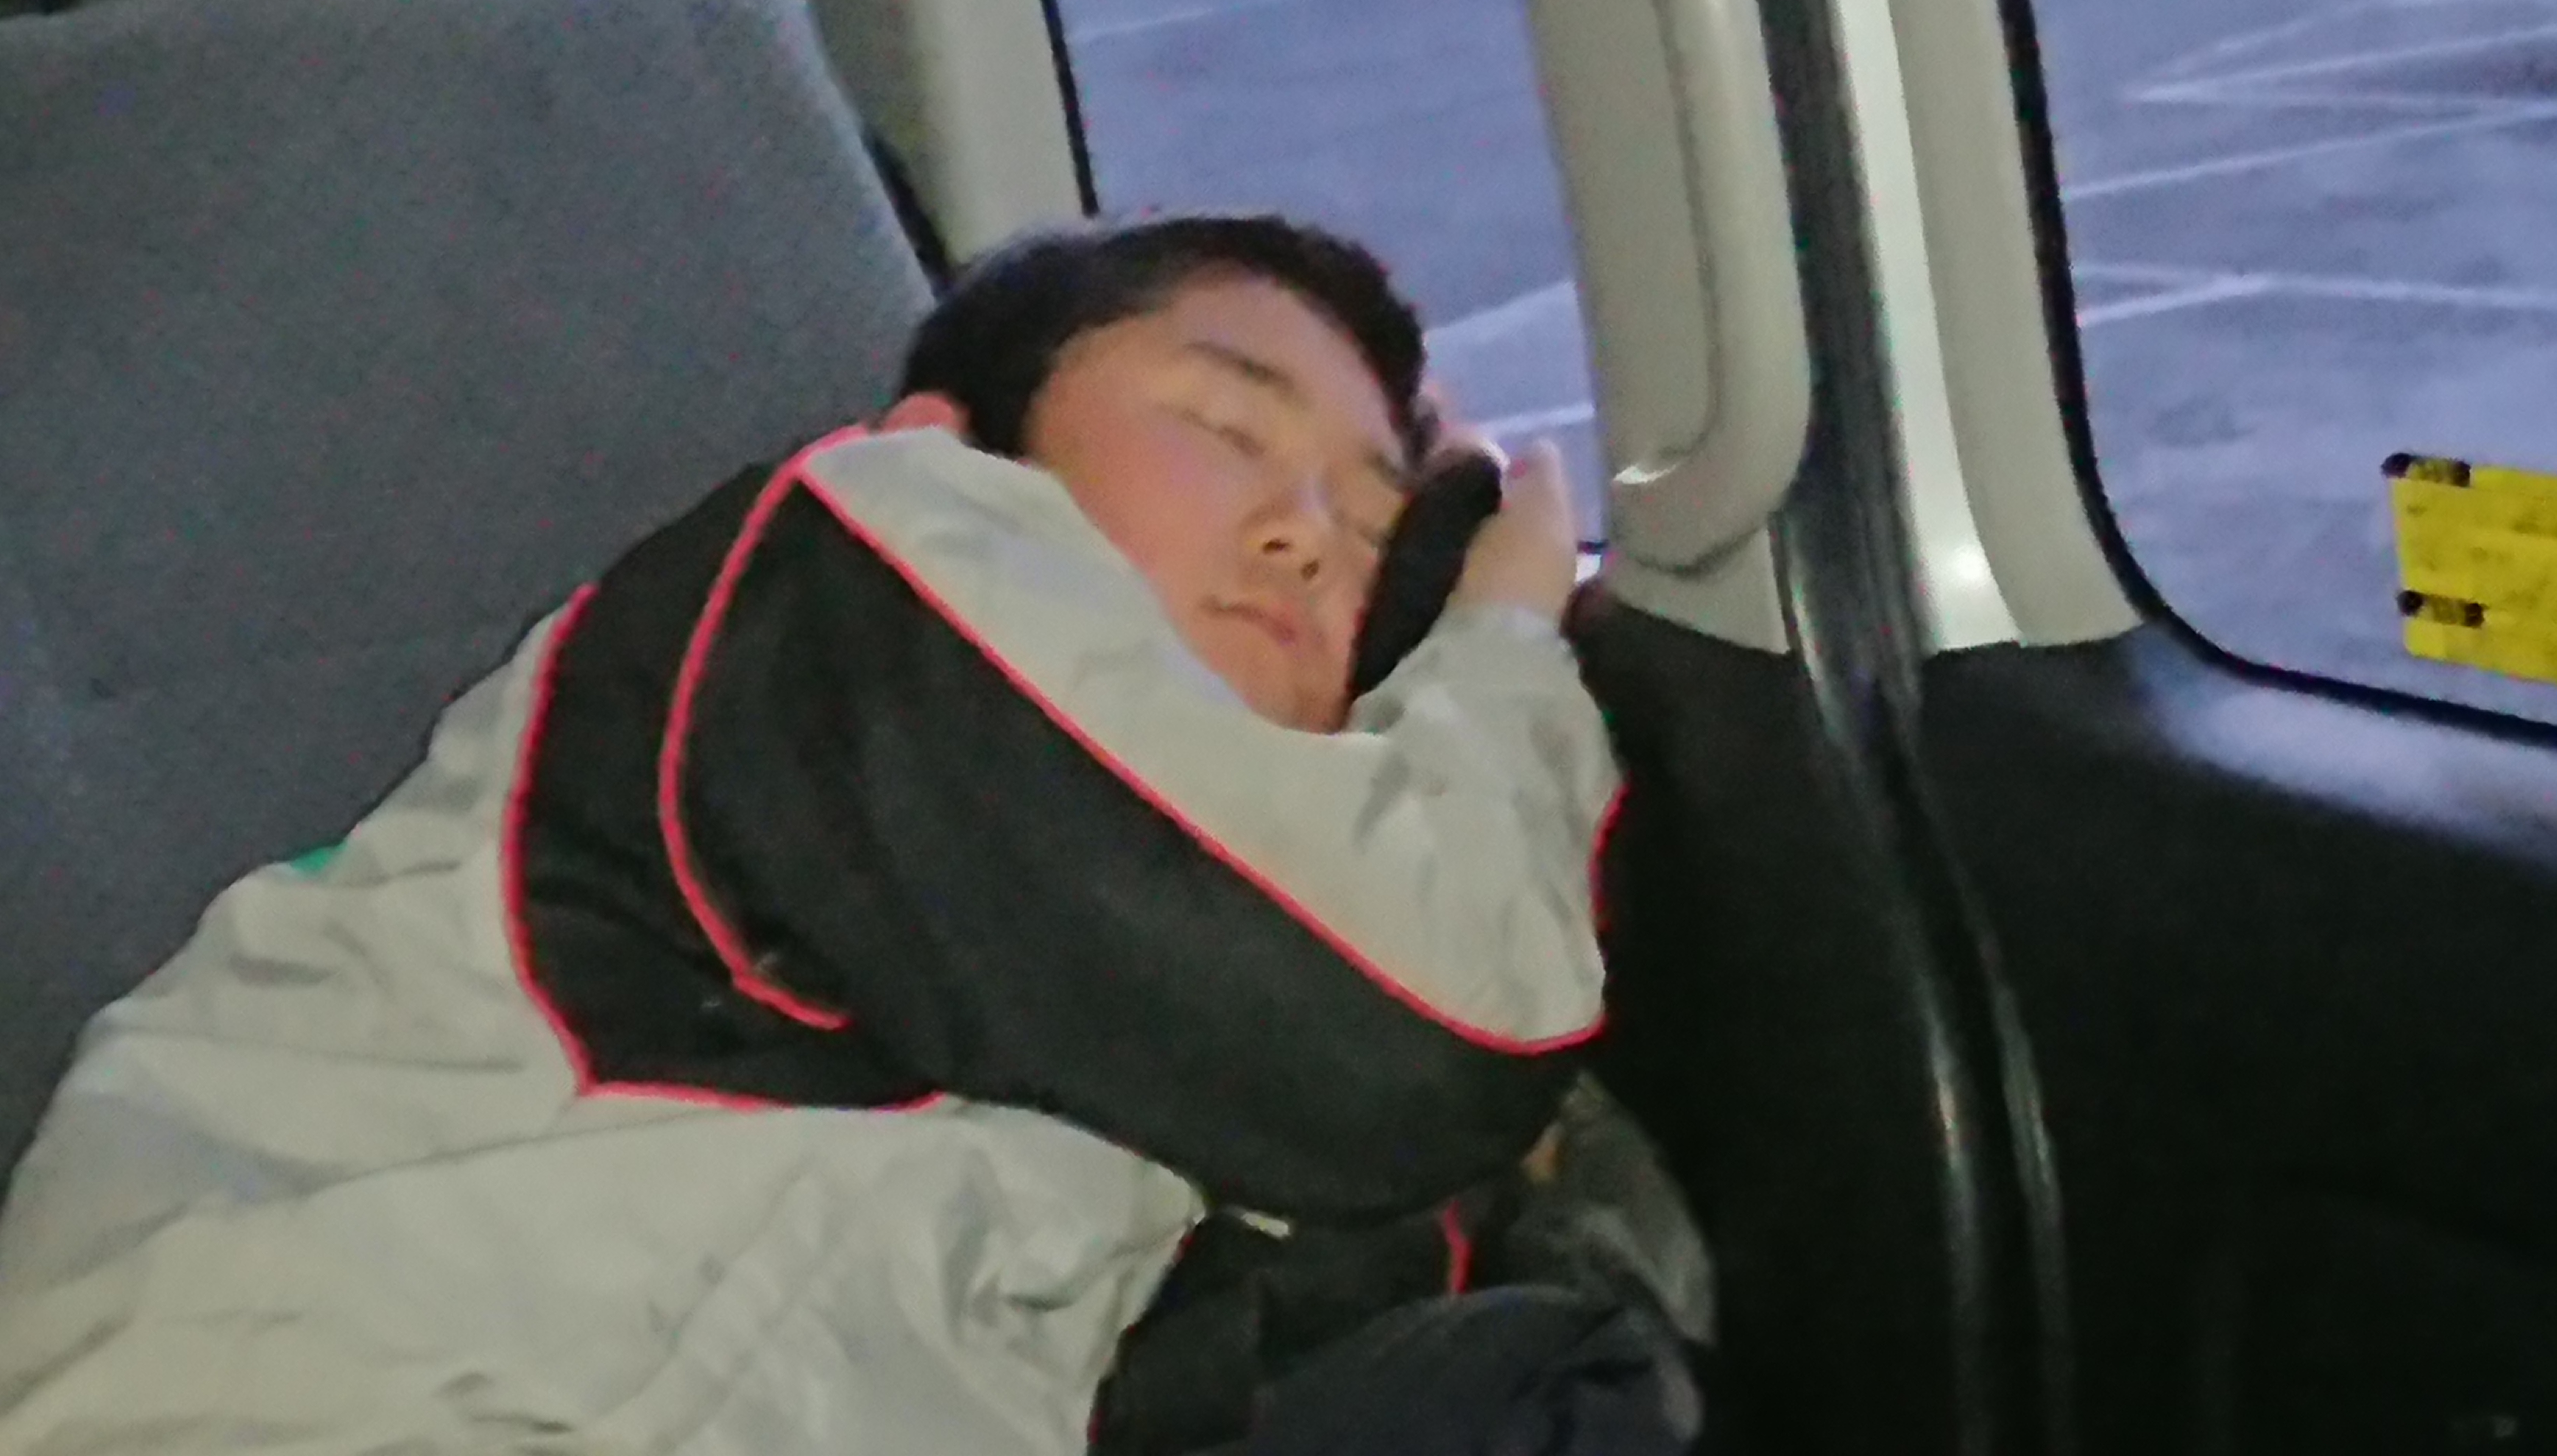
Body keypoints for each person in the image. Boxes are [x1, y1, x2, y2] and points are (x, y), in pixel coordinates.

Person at [0, 214, 1680, 1454]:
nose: (1303, 533)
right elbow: (1427, 1043)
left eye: (1374, 521)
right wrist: (1501, 631)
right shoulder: (867, 557)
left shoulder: (1132, 977)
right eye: (1227, 428)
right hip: (322, 1414)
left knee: (1534, 1380)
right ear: (945, 435)